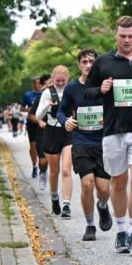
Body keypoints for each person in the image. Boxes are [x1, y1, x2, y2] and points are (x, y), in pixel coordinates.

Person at [83, 15, 132, 255]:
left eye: (130, 36)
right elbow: (87, 92)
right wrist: (100, 89)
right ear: (115, 35)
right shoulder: (103, 62)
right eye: (122, 36)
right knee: (118, 182)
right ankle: (120, 231)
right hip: (113, 129)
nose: (126, 40)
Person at [58, 49, 113, 241]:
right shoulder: (72, 88)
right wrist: (65, 121)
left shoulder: (106, 85)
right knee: (87, 184)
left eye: (92, 62)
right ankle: (90, 225)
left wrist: (110, 118)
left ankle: (103, 206)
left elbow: (118, 107)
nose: (88, 65)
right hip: (81, 141)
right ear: (79, 65)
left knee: (103, 190)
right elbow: (61, 111)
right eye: (84, 62)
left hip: (104, 142)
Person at [36, 66, 74, 218]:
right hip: (51, 132)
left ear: (67, 79)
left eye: (63, 81)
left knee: (66, 169)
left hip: (68, 132)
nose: (60, 83)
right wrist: (47, 105)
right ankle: (54, 197)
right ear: (53, 79)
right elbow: (38, 116)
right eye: (58, 81)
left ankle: (66, 205)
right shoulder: (47, 92)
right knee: (54, 171)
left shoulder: (72, 90)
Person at [23, 76, 46, 180]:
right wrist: (30, 110)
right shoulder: (28, 95)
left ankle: (43, 165)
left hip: (43, 122)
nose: (39, 85)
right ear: (34, 84)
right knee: (33, 146)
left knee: (43, 146)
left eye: (41, 83)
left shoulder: (45, 93)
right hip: (32, 122)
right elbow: (22, 107)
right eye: (37, 83)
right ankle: (34, 166)